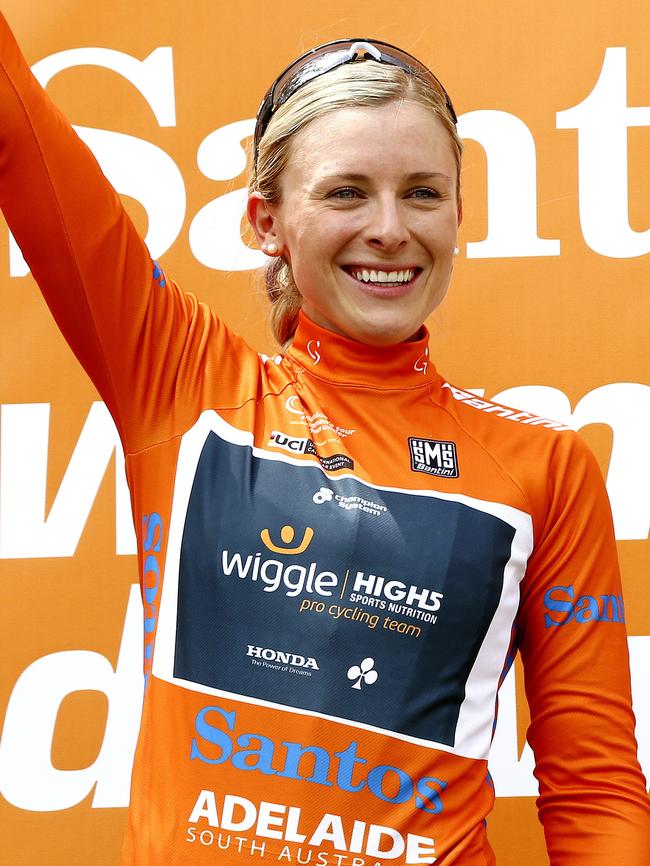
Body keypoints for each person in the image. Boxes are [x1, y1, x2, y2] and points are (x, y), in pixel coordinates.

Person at [1, 15, 649, 865]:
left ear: (458, 213)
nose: (390, 227)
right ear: (264, 220)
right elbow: (20, 134)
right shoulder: (179, 381)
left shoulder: (544, 465)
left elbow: (597, 791)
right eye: (346, 192)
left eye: (423, 191)